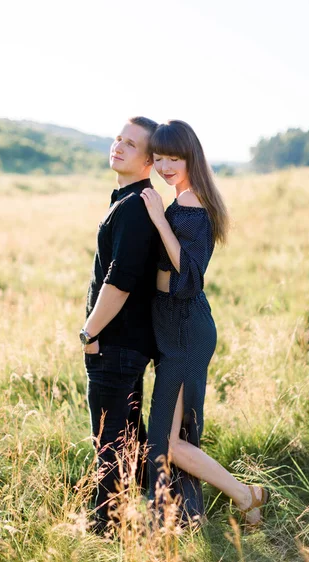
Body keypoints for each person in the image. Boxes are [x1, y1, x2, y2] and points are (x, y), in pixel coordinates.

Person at [141, 120, 269, 529]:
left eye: (172, 158)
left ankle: (246, 496)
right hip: (176, 325)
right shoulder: (183, 197)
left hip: (184, 328)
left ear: (190, 156)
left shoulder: (190, 202)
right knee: (171, 438)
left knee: (168, 441)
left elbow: (190, 273)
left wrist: (159, 221)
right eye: (158, 157)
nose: (163, 165)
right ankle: (189, 514)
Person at [81, 116, 159, 531]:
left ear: (149, 160)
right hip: (125, 343)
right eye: (118, 139)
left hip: (116, 344)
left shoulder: (134, 206)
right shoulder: (131, 200)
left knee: (108, 439)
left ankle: (104, 528)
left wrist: (89, 332)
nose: (119, 146)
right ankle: (154, 510)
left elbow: (121, 280)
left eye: (131, 144)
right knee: (126, 436)